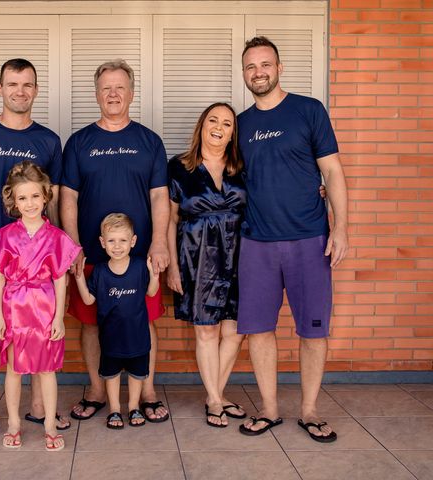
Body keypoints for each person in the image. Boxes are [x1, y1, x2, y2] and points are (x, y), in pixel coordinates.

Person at [236, 37, 348, 442]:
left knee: (313, 329)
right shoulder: (240, 125)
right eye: (251, 66)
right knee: (259, 329)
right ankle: (268, 409)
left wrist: (341, 227)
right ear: (244, 73)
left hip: (309, 239)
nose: (259, 72)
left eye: (265, 64)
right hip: (256, 242)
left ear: (279, 68)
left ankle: (310, 410)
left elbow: (332, 173)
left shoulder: (308, 111)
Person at [0, 58, 68, 440]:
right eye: (12, 84)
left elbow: (53, 201)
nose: (20, 91)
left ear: (36, 90)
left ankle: (39, 408)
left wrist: (62, 250)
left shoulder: (48, 141)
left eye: (27, 84)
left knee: (39, 330)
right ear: (0, 88)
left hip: (38, 261)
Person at [61, 59, 171, 423]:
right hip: (93, 256)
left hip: (139, 257)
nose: (113, 93)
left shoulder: (150, 142)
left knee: (145, 320)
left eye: (120, 87)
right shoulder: (79, 143)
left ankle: (149, 390)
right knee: (92, 322)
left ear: (131, 93)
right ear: (96, 95)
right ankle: (96, 389)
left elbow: (159, 197)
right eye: (106, 87)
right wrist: (74, 246)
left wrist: (158, 243)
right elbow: (68, 198)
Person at [0, 161, 81, 450]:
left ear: (46, 196)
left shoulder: (56, 238)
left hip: (45, 308)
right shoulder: (6, 236)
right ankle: (13, 422)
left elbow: (61, 279)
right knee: (14, 369)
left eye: (35, 196)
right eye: (22, 198)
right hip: (14, 308)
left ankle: (50, 423)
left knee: (46, 369)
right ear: (13, 200)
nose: (30, 203)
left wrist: (59, 318)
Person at [166, 102, 248, 428]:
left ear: (232, 134)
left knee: (235, 330)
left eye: (227, 123)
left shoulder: (242, 168)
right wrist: (172, 266)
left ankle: (217, 391)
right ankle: (215, 399)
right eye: (213, 120)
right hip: (196, 255)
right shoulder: (179, 167)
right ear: (202, 126)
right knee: (206, 329)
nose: (219, 127)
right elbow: (170, 219)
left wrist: (317, 190)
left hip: (240, 255)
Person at [74, 214, 160, 429]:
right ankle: (114, 409)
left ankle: (132, 407)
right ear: (103, 242)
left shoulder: (140, 267)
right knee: (111, 376)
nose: (117, 246)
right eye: (111, 241)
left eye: (123, 240)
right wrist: (79, 279)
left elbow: (150, 293)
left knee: (136, 375)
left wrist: (155, 275)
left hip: (138, 338)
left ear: (133, 241)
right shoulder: (101, 271)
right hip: (111, 338)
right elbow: (88, 299)